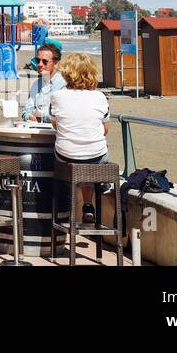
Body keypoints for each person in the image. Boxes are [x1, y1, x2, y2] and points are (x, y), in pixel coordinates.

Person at [50, 53, 111, 223]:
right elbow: (105, 129)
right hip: (96, 156)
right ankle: (90, 202)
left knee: (69, 156)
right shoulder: (100, 97)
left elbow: (55, 124)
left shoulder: (57, 96)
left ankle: (62, 205)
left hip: (65, 156)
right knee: (92, 157)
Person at [25, 41, 66, 121]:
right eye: (37, 60)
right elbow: (26, 111)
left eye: (45, 61)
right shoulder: (36, 84)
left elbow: (61, 115)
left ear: (56, 63)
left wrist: (40, 117)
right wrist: (30, 117)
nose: (40, 64)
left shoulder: (64, 84)